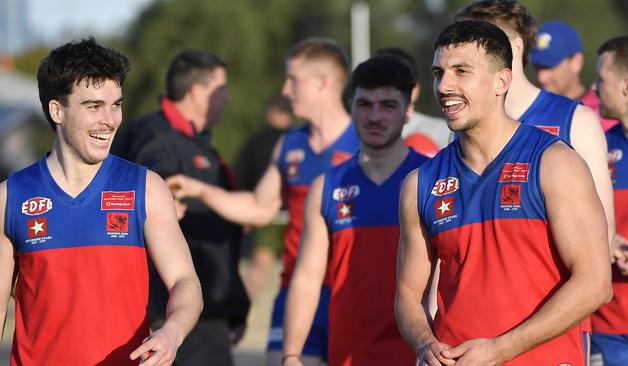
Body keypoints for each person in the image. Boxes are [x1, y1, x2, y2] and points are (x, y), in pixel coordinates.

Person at [396, 20, 612, 366]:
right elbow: (408, 293)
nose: (444, 85)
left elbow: (595, 283)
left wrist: (499, 350)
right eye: (439, 73)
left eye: (461, 71)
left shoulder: (555, 163)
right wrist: (424, 344)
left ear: (502, 81)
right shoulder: (420, 183)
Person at [0, 38, 202, 366]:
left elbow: (185, 281)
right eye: (94, 106)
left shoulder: (146, 188)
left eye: (116, 105)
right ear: (57, 110)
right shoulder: (11, 197)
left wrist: (172, 332)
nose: (110, 119)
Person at [166, 38, 359, 365]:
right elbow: (259, 207)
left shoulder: (365, 140)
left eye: (293, 80)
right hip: (294, 294)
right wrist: (199, 190)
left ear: (324, 82)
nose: (285, 90)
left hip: (352, 295)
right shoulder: (289, 144)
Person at [283, 54, 426, 366]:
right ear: (351, 107)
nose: (375, 116)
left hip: (419, 353)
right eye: (365, 104)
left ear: (408, 111)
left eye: (388, 105)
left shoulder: (433, 179)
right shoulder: (326, 186)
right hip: (348, 352)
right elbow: (307, 277)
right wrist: (291, 354)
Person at [112, 49, 249, 366]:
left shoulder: (195, 143)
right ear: (198, 92)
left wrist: (234, 305)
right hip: (176, 312)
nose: (227, 98)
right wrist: (169, 197)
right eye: (222, 88)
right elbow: (155, 185)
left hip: (206, 311)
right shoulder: (156, 136)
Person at [457, 1, 615, 254]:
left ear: (515, 46)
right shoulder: (464, 127)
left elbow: (602, 240)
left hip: (552, 290)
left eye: (479, 43)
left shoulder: (576, 119)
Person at [590, 36, 628, 366]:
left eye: (601, 79)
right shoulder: (594, 148)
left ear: (627, 85)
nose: (594, 87)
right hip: (608, 324)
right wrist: (606, 241)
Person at [234, 95, 292, 296]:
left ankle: (247, 311)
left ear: (271, 112)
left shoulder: (256, 142)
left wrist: (244, 213)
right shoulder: (299, 141)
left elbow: (241, 176)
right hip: (296, 213)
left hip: (266, 213)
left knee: (259, 266)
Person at [530, 20, 618, 131]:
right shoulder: (526, 112)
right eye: (537, 66)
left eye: (550, 67)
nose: (541, 77)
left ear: (576, 62)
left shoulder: (607, 112)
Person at [376, 47, 450, 157]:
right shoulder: (360, 133)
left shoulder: (442, 132)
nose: (385, 92)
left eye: (394, 84)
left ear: (414, 90)